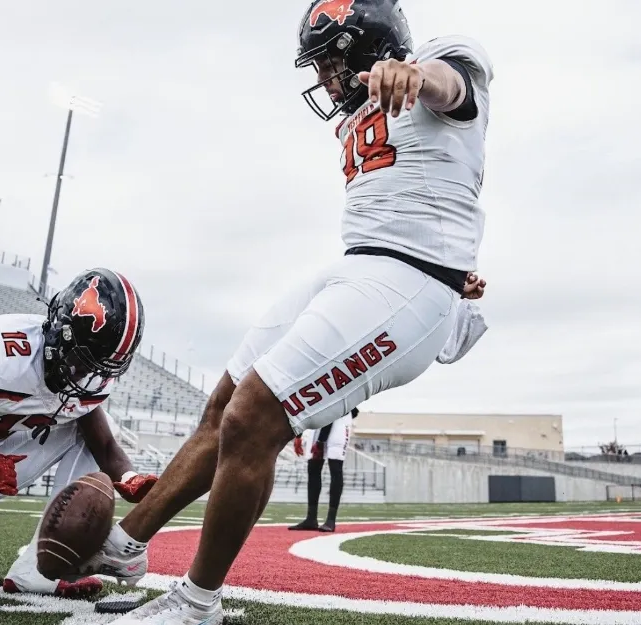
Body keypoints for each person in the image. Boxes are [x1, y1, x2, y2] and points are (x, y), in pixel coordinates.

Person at [81, 1, 493, 622]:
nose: (323, 77)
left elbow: (452, 87)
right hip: (360, 265)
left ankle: (197, 602)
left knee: (255, 417)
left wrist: (415, 74)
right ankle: (126, 544)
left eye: (330, 60)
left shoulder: (437, 67)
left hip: (410, 280)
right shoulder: (357, 113)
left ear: (370, 48)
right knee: (223, 406)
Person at [0, 268, 157, 598]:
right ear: (61, 332)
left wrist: (131, 479)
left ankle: (35, 573)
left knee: (91, 428)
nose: (87, 375)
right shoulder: (8, 352)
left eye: (99, 366)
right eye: (83, 360)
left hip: (9, 460)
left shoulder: (89, 380)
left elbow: (104, 443)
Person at [288, 406, 358, 533]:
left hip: (339, 418)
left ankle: (331, 520)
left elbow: (335, 405)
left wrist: (321, 440)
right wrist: (298, 435)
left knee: (335, 467)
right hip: (321, 419)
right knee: (313, 467)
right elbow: (304, 408)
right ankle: (311, 518)